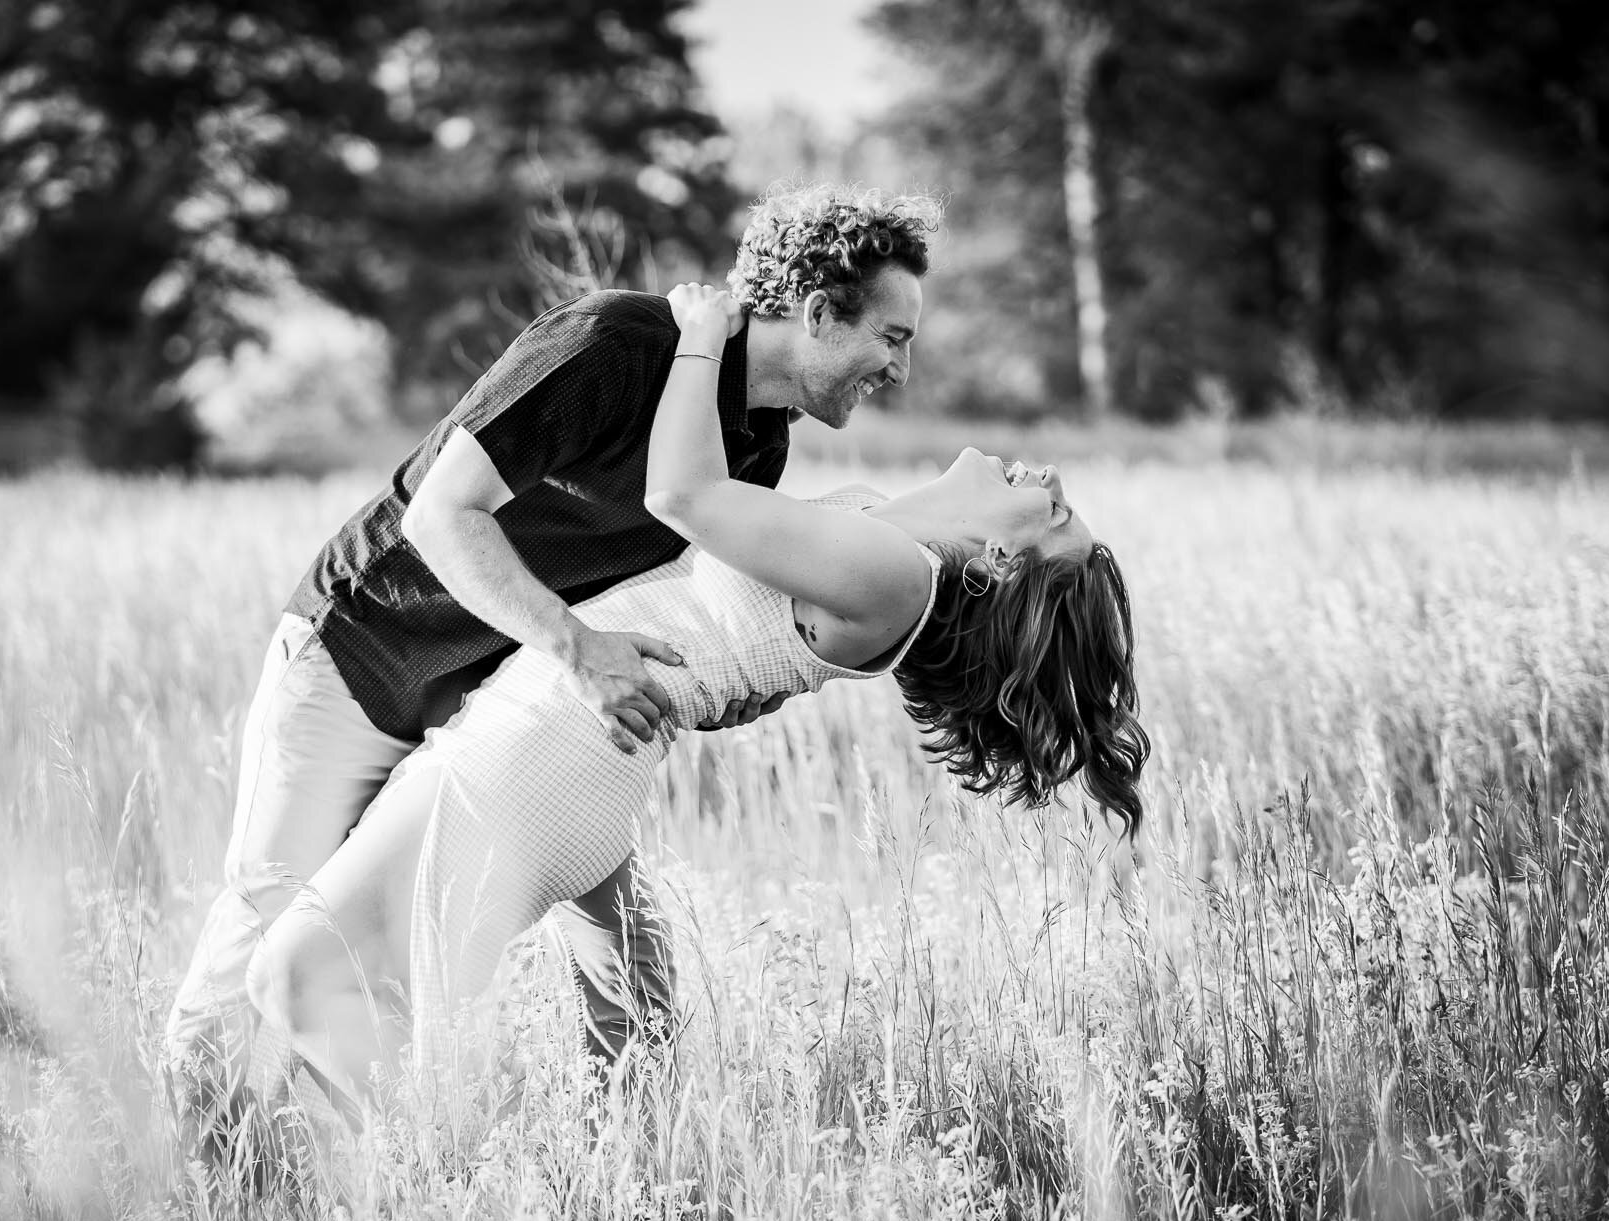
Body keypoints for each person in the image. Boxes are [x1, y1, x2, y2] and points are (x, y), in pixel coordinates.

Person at [247, 283, 1149, 1121]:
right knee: (576, 1006)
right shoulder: (891, 550)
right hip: (584, 738)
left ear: (1001, 564)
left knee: (300, 971)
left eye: (1062, 522)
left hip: (558, 742)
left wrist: (702, 336)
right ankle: (600, 1188)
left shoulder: (892, 576)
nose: (1057, 489)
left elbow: (683, 494)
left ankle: (417, 1184)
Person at [165, 187, 941, 1148]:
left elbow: (668, 604)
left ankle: (617, 1184)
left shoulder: (754, 441)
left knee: (632, 969)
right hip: (370, 657)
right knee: (268, 923)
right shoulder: (611, 344)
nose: (901, 369)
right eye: (893, 338)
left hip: (516, 704)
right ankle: (192, 1176)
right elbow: (439, 517)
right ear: (820, 312)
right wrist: (580, 654)